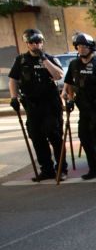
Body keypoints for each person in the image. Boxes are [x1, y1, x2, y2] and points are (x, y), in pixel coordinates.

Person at [8, 29, 65, 181]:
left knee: (54, 135)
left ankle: (61, 168)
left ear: (42, 43)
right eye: (32, 42)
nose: (35, 45)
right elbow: (13, 80)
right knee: (36, 137)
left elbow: (58, 75)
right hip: (32, 106)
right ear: (27, 44)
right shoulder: (20, 61)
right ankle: (46, 169)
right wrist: (13, 97)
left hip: (50, 105)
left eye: (38, 42)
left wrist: (44, 60)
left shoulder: (49, 58)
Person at [61, 33, 96, 180]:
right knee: (84, 137)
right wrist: (70, 98)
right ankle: (94, 168)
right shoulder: (74, 64)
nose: (81, 49)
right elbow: (70, 84)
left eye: (84, 46)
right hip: (84, 108)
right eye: (79, 46)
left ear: (91, 47)